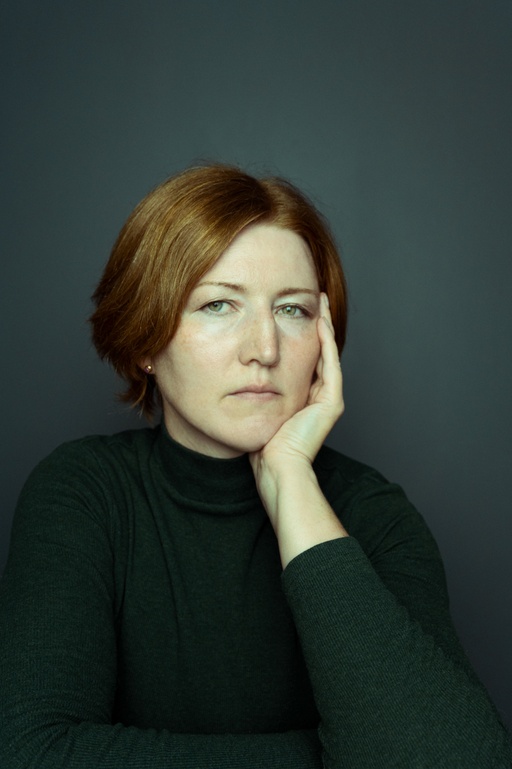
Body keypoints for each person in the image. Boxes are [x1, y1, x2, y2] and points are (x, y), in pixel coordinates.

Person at [0, 164, 510, 769]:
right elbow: (31, 750)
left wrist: (292, 479)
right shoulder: (84, 492)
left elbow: (456, 760)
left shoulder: (376, 515)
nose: (264, 349)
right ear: (144, 340)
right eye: (219, 305)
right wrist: (338, 757)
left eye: (293, 310)